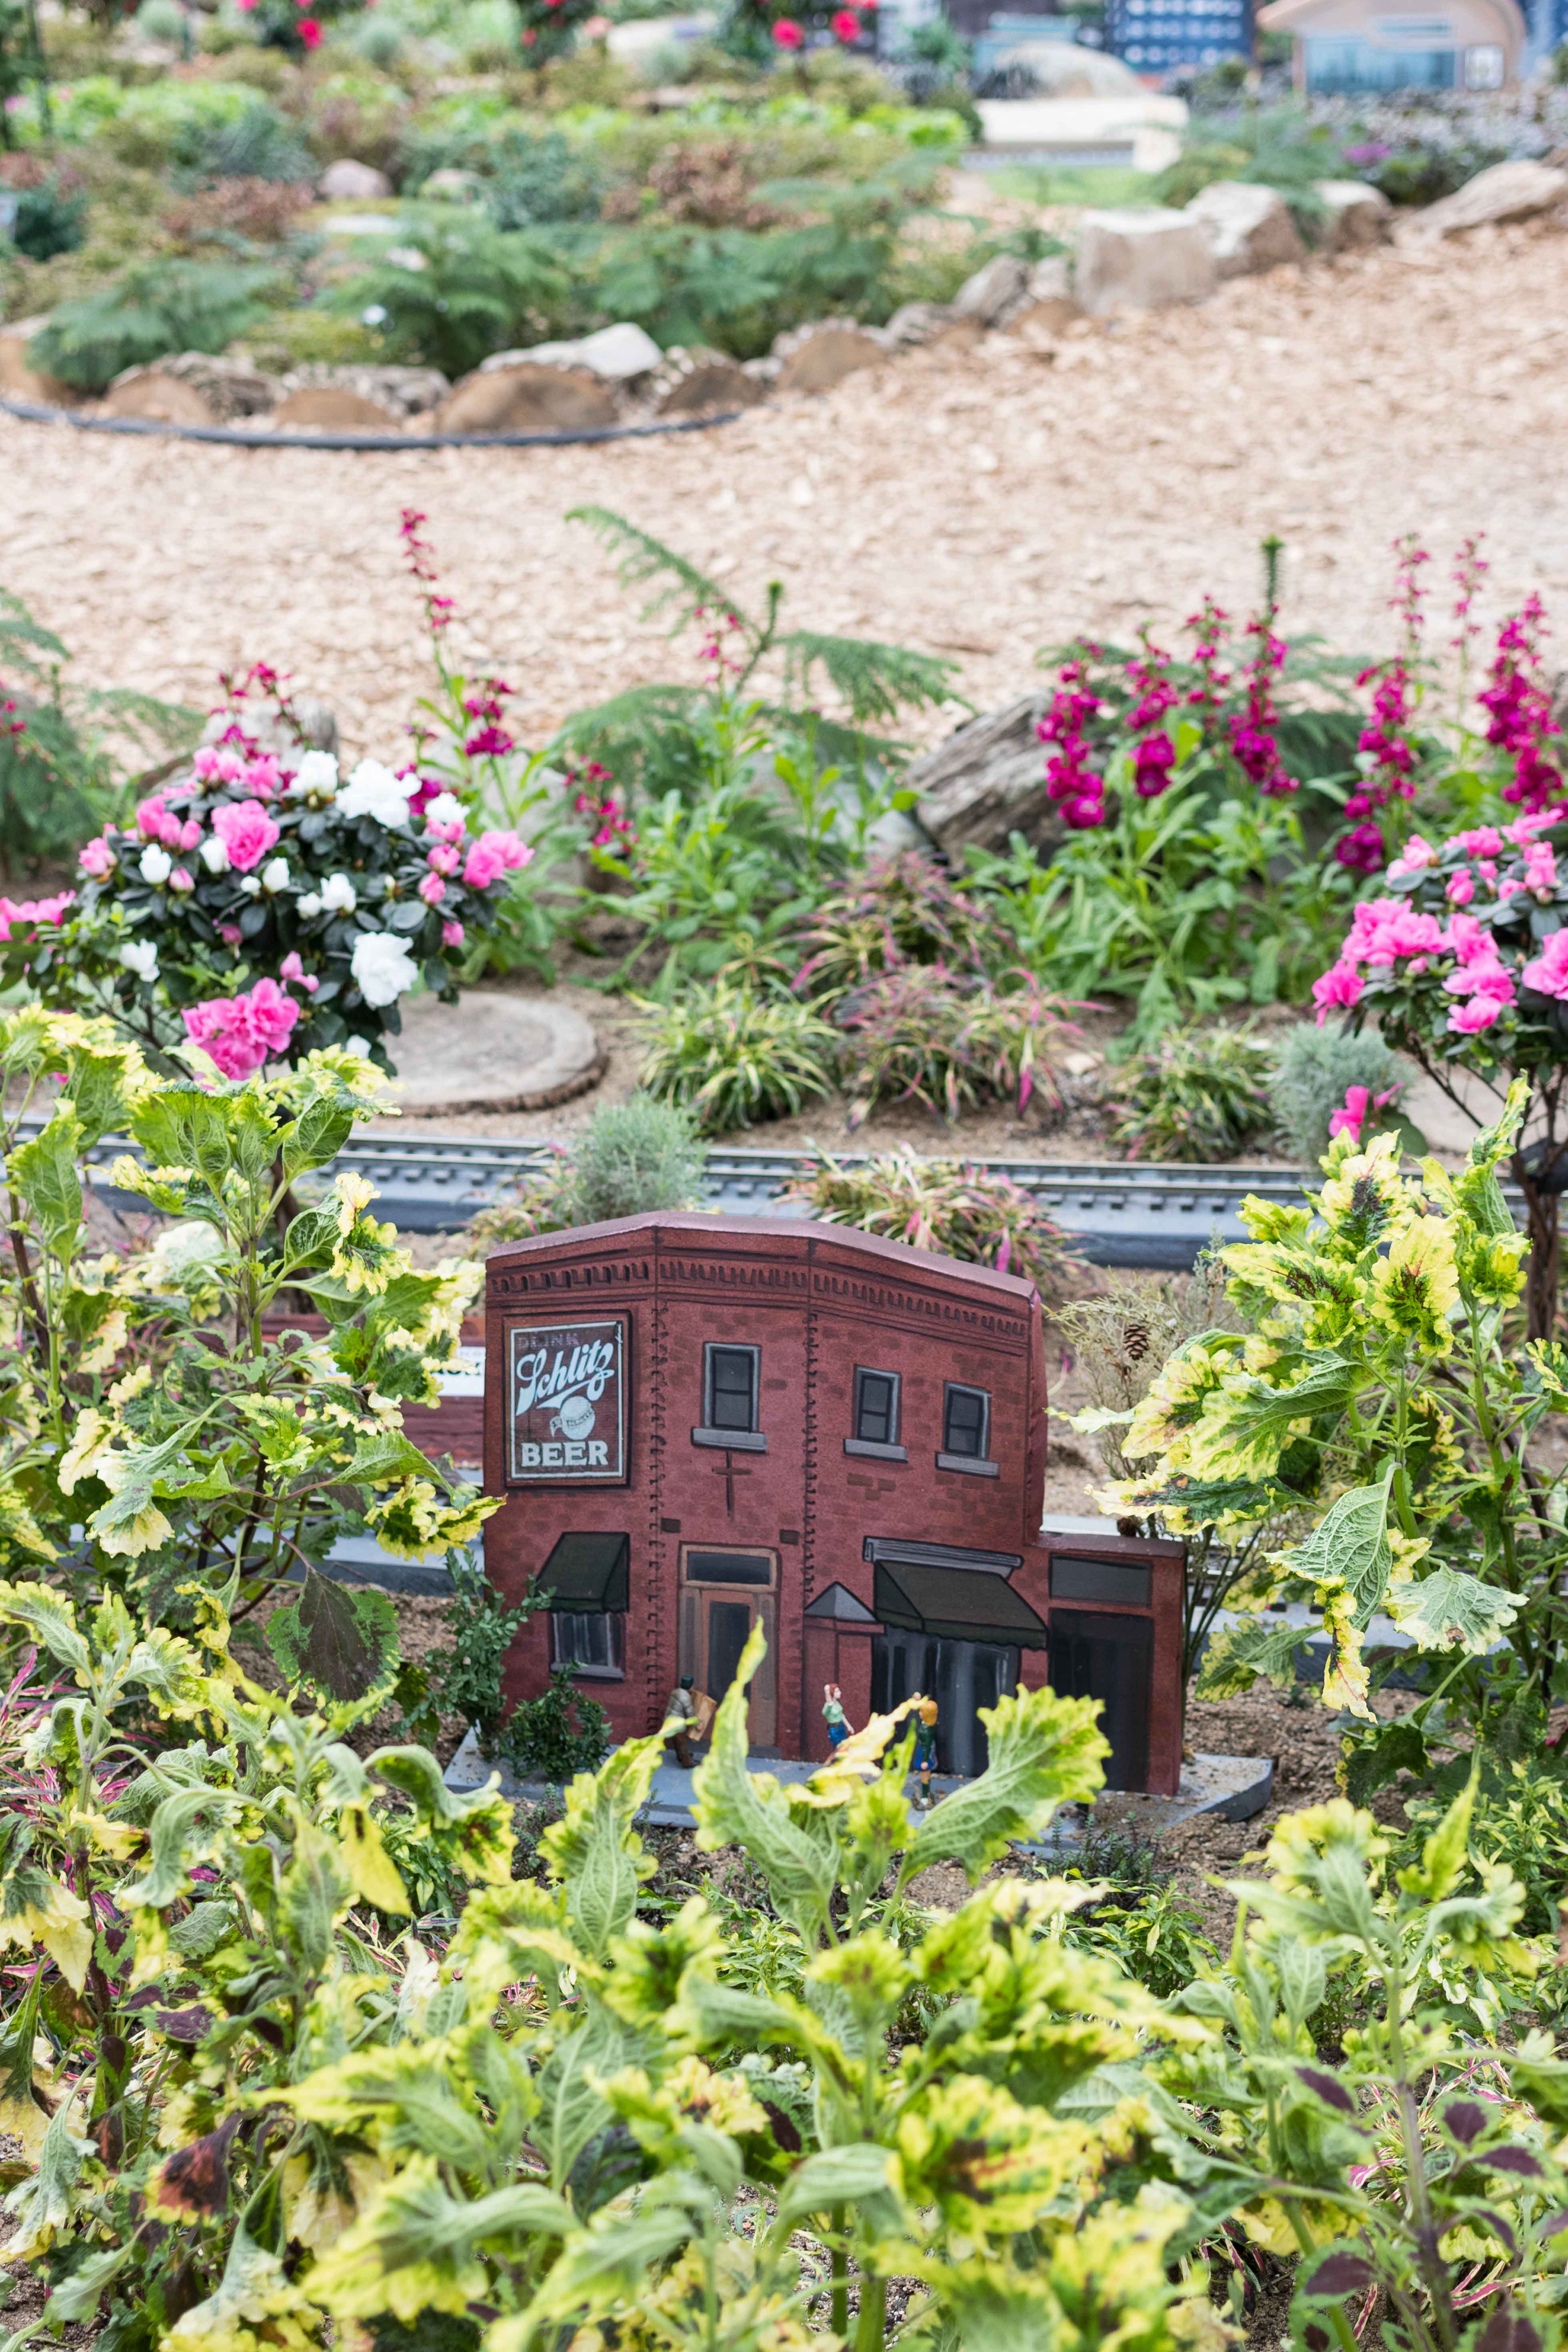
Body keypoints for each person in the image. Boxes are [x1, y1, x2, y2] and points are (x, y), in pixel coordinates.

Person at [665, 1674, 699, 1770]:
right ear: (690, 1686)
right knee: (682, 1743)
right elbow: (690, 1714)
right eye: (692, 1685)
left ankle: (681, 1757)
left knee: (676, 1742)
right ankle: (687, 1762)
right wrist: (698, 1724)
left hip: (669, 1721)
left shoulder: (675, 1692)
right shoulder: (686, 1697)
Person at [911, 1695, 939, 1810]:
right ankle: (926, 1794)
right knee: (927, 1775)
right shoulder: (929, 1725)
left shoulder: (925, 1731)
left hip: (925, 1753)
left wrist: (924, 1760)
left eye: (922, 1712)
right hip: (928, 1751)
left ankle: (924, 1796)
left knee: (925, 1775)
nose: (920, 1713)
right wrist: (919, 1701)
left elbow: (926, 1747)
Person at [822, 1683, 851, 1751]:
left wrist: (849, 1726)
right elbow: (824, 1713)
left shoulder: (837, 1704)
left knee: (845, 1747)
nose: (840, 1693)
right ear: (832, 1693)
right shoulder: (829, 1706)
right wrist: (827, 1693)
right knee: (839, 1749)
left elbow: (842, 1716)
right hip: (835, 1730)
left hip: (841, 1728)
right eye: (837, 1691)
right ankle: (835, 1761)